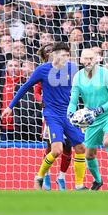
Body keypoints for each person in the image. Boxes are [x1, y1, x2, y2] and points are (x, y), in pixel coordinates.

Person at [1, 42, 87, 191]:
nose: (67, 58)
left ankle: (79, 185)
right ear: (55, 54)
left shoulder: (72, 69)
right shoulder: (42, 70)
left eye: (68, 55)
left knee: (80, 148)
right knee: (57, 150)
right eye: (64, 55)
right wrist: (10, 106)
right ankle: (40, 176)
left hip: (69, 115)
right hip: (52, 115)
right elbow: (25, 87)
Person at [68, 48, 108, 191]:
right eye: (85, 58)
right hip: (92, 118)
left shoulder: (106, 74)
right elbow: (73, 101)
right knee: (89, 155)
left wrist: (99, 110)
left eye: (91, 58)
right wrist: (70, 114)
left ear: (96, 59)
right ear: (81, 60)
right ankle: (98, 181)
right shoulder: (77, 77)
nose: (88, 61)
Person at [33, 44, 73, 191]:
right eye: (48, 51)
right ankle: (46, 175)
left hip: (67, 112)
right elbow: (36, 92)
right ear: (44, 55)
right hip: (51, 113)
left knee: (68, 147)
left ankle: (61, 177)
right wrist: (41, 101)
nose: (52, 53)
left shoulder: (67, 69)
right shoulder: (42, 71)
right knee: (52, 146)